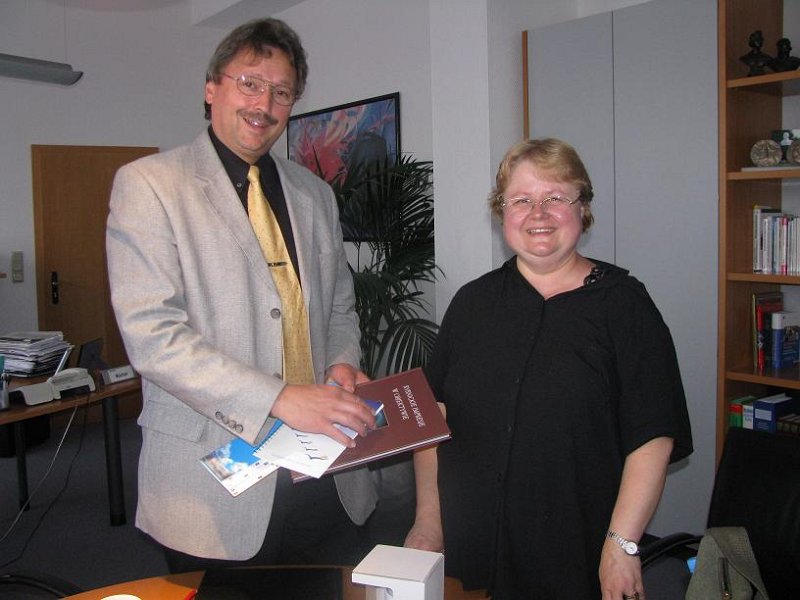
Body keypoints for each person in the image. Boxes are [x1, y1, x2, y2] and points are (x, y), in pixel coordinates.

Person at [106, 18, 379, 572]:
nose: (264, 104)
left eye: (282, 92)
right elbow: (154, 338)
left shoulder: (314, 194)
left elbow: (339, 307)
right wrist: (280, 398)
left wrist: (342, 361)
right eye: (250, 83)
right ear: (212, 88)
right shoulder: (150, 185)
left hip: (322, 469)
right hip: (210, 482)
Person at [405, 138, 693, 599]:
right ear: (501, 212)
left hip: (576, 554)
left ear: (583, 208)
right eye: (521, 200)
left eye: (556, 197)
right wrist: (428, 524)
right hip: (470, 548)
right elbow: (431, 419)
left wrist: (622, 545)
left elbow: (652, 436)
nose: (538, 214)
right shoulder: (472, 303)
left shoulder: (625, 306)